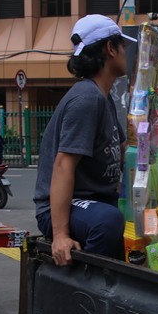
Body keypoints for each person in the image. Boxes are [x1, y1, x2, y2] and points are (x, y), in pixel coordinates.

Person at [33, 14, 136, 266]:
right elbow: (63, 165)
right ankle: (82, 291)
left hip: (94, 202)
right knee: (107, 221)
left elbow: (123, 150)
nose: (126, 51)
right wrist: (60, 235)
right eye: (122, 45)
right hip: (62, 207)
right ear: (110, 49)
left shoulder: (104, 98)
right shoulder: (87, 98)